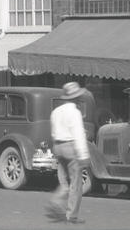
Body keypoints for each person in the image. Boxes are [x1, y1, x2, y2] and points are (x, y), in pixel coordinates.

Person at [49, 81, 92, 224]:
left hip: (58, 146)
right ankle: (72, 215)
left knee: (64, 181)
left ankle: (56, 199)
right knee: (76, 183)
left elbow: (54, 132)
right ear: (75, 98)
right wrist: (84, 155)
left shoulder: (56, 112)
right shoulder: (75, 112)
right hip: (70, 147)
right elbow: (78, 134)